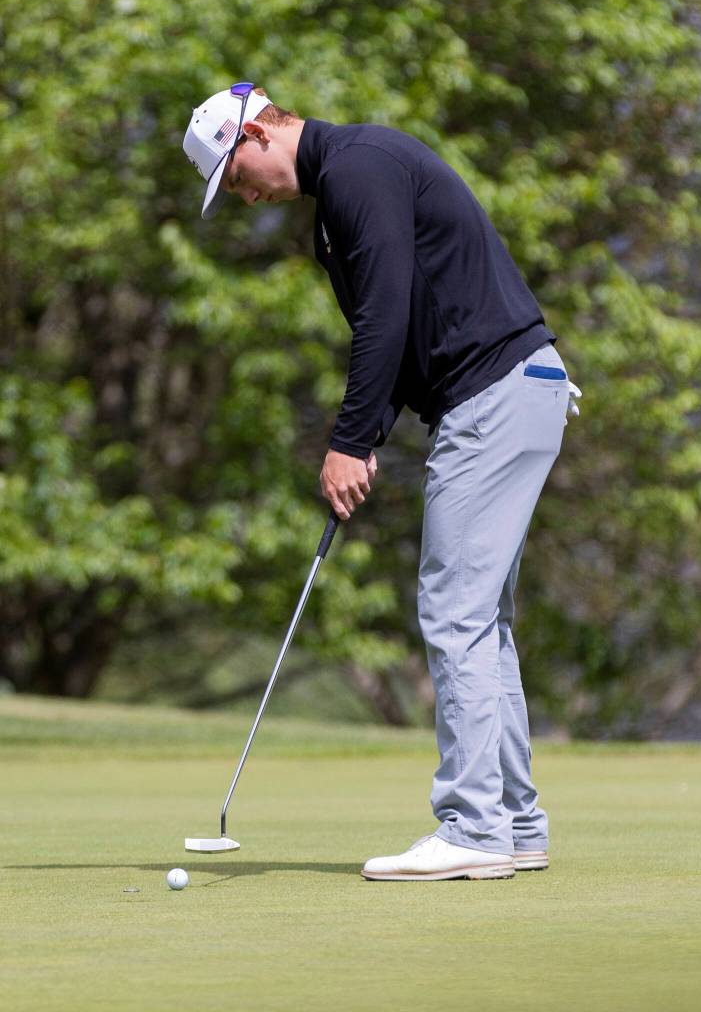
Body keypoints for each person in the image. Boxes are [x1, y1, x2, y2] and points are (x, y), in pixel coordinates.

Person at [183, 82, 581, 882]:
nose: (244, 192)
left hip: (495, 395)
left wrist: (348, 439)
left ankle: (474, 829)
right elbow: (400, 330)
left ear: (259, 130)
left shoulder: (357, 168)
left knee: (454, 610)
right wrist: (369, 438)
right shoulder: (342, 193)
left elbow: (385, 315)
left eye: (235, 173)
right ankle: (513, 822)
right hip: (521, 388)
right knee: (482, 619)